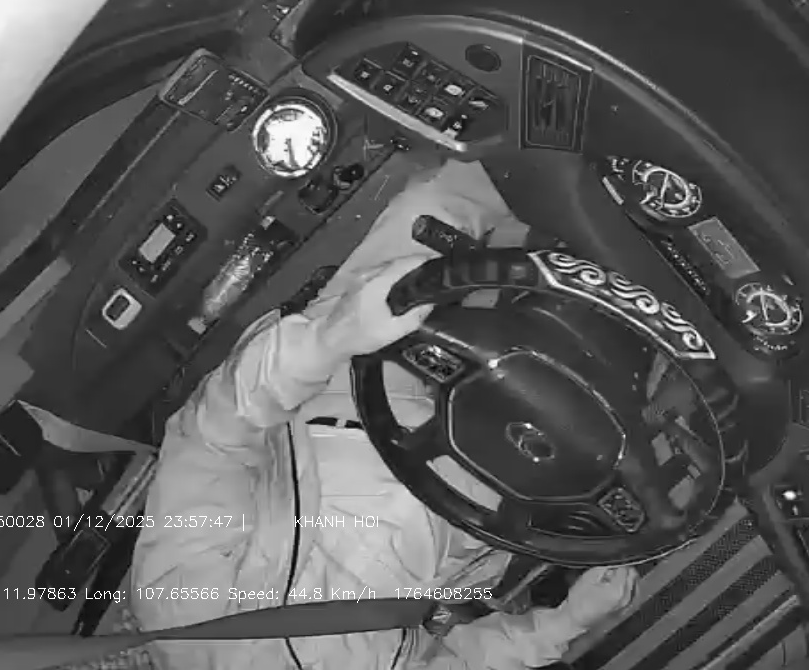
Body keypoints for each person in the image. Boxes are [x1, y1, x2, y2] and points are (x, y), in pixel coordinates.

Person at [130, 158, 639, 670]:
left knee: (458, 194)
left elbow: (215, 437)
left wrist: (331, 337)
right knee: (636, 343)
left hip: (351, 396)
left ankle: (560, 143)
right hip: (480, 506)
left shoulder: (181, 620)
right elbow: (459, 661)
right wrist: (563, 625)